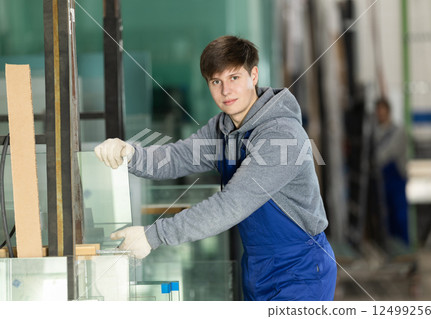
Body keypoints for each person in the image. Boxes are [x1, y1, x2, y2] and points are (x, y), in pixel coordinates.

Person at [95, 35, 337, 301]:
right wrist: (130, 154)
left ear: (253, 75)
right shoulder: (223, 128)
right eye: (216, 81)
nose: (226, 91)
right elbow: (177, 157)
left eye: (234, 78)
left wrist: (154, 236)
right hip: (257, 266)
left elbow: (232, 204)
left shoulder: (282, 136)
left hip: (301, 268)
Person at [374, 98, 409, 246]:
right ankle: (393, 250)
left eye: (383, 110)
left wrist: (373, 159)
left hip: (397, 179)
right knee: (386, 218)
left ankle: (405, 249)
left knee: (400, 216)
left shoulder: (398, 131)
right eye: (378, 111)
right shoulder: (375, 132)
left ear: (388, 111)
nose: (380, 114)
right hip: (382, 179)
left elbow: (389, 153)